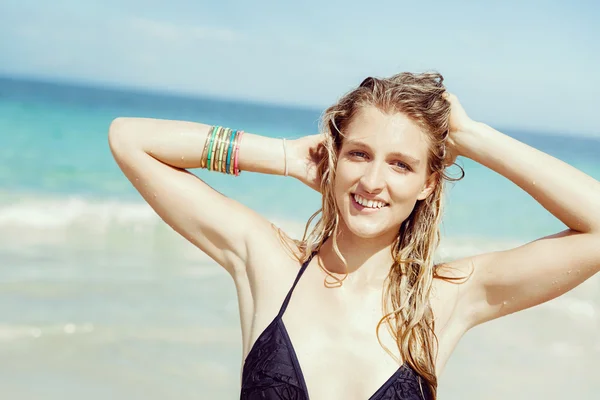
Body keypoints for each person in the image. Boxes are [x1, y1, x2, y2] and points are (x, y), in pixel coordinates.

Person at [108, 72, 600, 400]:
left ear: (429, 183)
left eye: (401, 164)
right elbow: (130, 140)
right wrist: (281, 156)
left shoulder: (446, 298)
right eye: (359, 154)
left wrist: (471, 137)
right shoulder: (271, 264)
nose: (372, 183)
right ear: (334, 157)